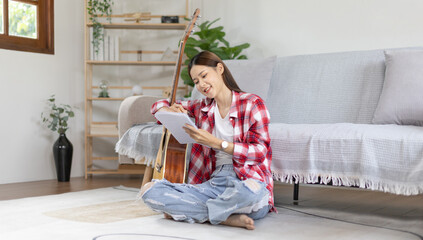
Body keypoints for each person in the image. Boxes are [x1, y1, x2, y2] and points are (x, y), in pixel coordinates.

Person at [139, 51, 275, 230]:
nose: (201, 84)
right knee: (149, 191)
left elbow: (259, 152)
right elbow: (157, 107)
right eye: (196, 81)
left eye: (204, 76)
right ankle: (225, 216)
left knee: (250, 193)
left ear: (219, 69)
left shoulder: (252, 104)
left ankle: (194, 212)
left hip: (246, 180)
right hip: (213, 184)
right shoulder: (201, 107)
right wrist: (169, 109)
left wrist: (217, 143)